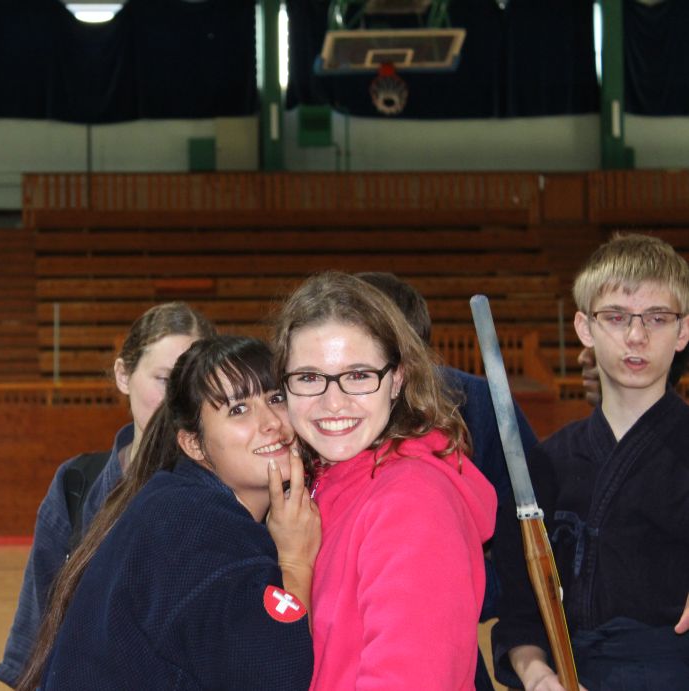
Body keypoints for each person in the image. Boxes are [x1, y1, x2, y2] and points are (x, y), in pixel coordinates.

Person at [17, 335, 320, 690]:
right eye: (238, 409)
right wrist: (295, 562)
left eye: (276, 398)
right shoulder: (193, 527)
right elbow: (279, 675)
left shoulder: (178, 500)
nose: (271, 422)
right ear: (194, 444)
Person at [271, 270, 497, 690]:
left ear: (397, 380)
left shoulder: (413, 501)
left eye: (358, 375)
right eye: (309, 377)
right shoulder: (325, 478)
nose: (333, 402)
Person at [491, 232, 689, 691]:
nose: (636, 336)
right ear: (584, 328)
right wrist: (538, 676)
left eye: (657, 318)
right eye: (616, 317)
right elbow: (520, 616)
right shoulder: (545, 465)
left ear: (683, 332)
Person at [0, 302, 215, 686]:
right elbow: (37, 631)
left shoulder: (229, 493)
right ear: (123, 375)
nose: (178, 399)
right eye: (164, 379)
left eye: (192, 382)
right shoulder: (76, 483)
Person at [356, 271, 538, 691]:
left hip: (443, 645)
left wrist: (476, 589)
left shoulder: (479, 403)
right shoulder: (318, 413)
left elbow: (525, 527)